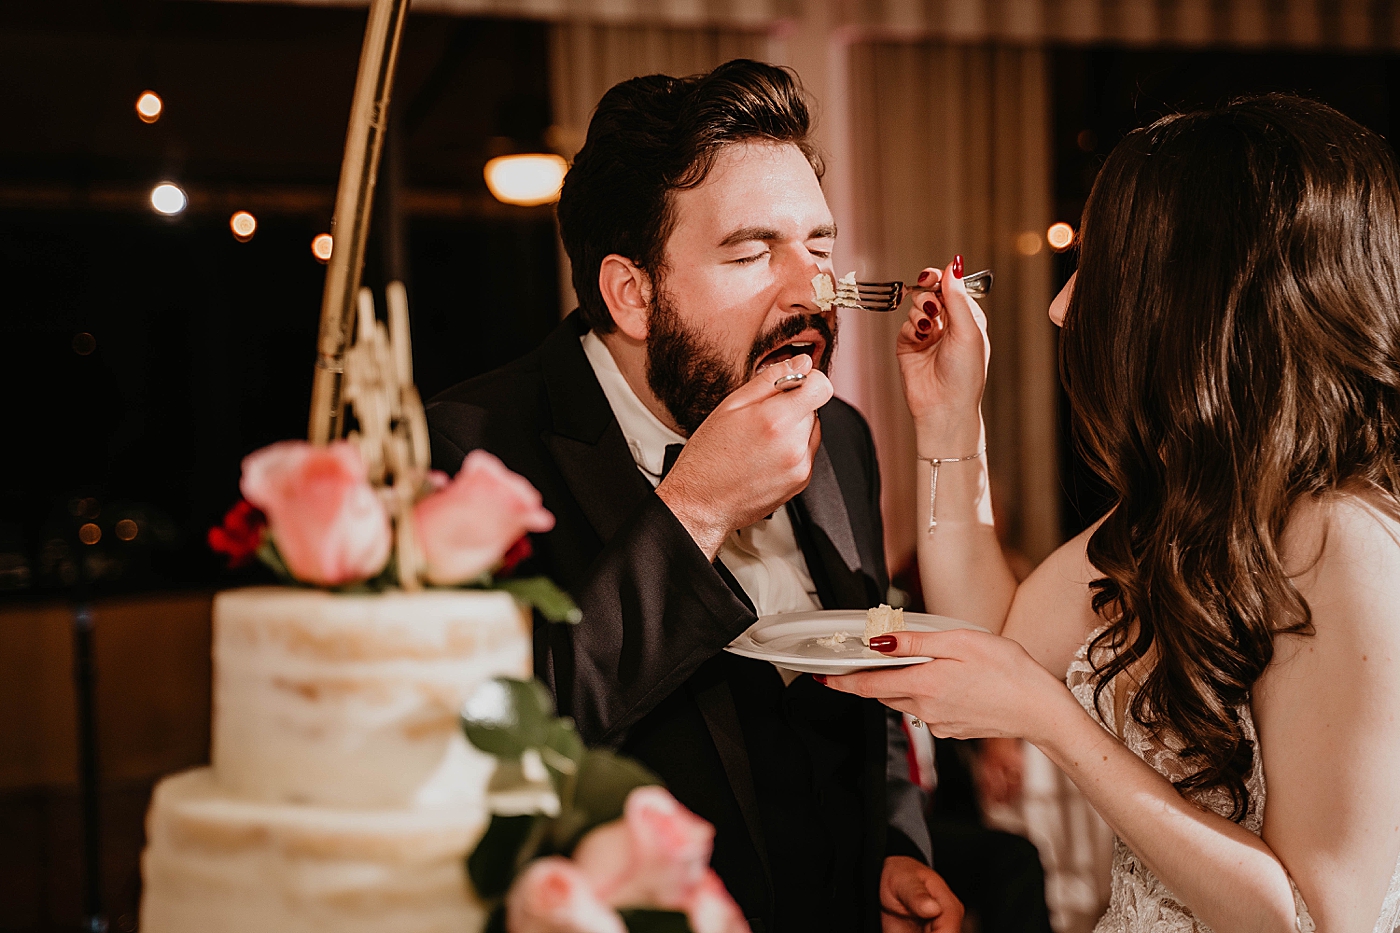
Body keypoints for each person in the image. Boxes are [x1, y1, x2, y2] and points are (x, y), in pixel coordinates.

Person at [823, 94, 1400, 932]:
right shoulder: (1183, 510)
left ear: (1194, 298)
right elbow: (994, 635)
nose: (1061, 308)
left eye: (1096, 269)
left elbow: (1316, 916)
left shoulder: (1343, 538)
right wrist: (949, 418)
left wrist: (1056, 724)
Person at [427, 60, 959, 933]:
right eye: (751, 253)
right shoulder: (470, 455)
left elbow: (873, 673)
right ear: (633, 294)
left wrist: (892, 846)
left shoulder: (843, 437)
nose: (811, 290)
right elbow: (484, 750)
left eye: (819, 248)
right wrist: (696, 510)